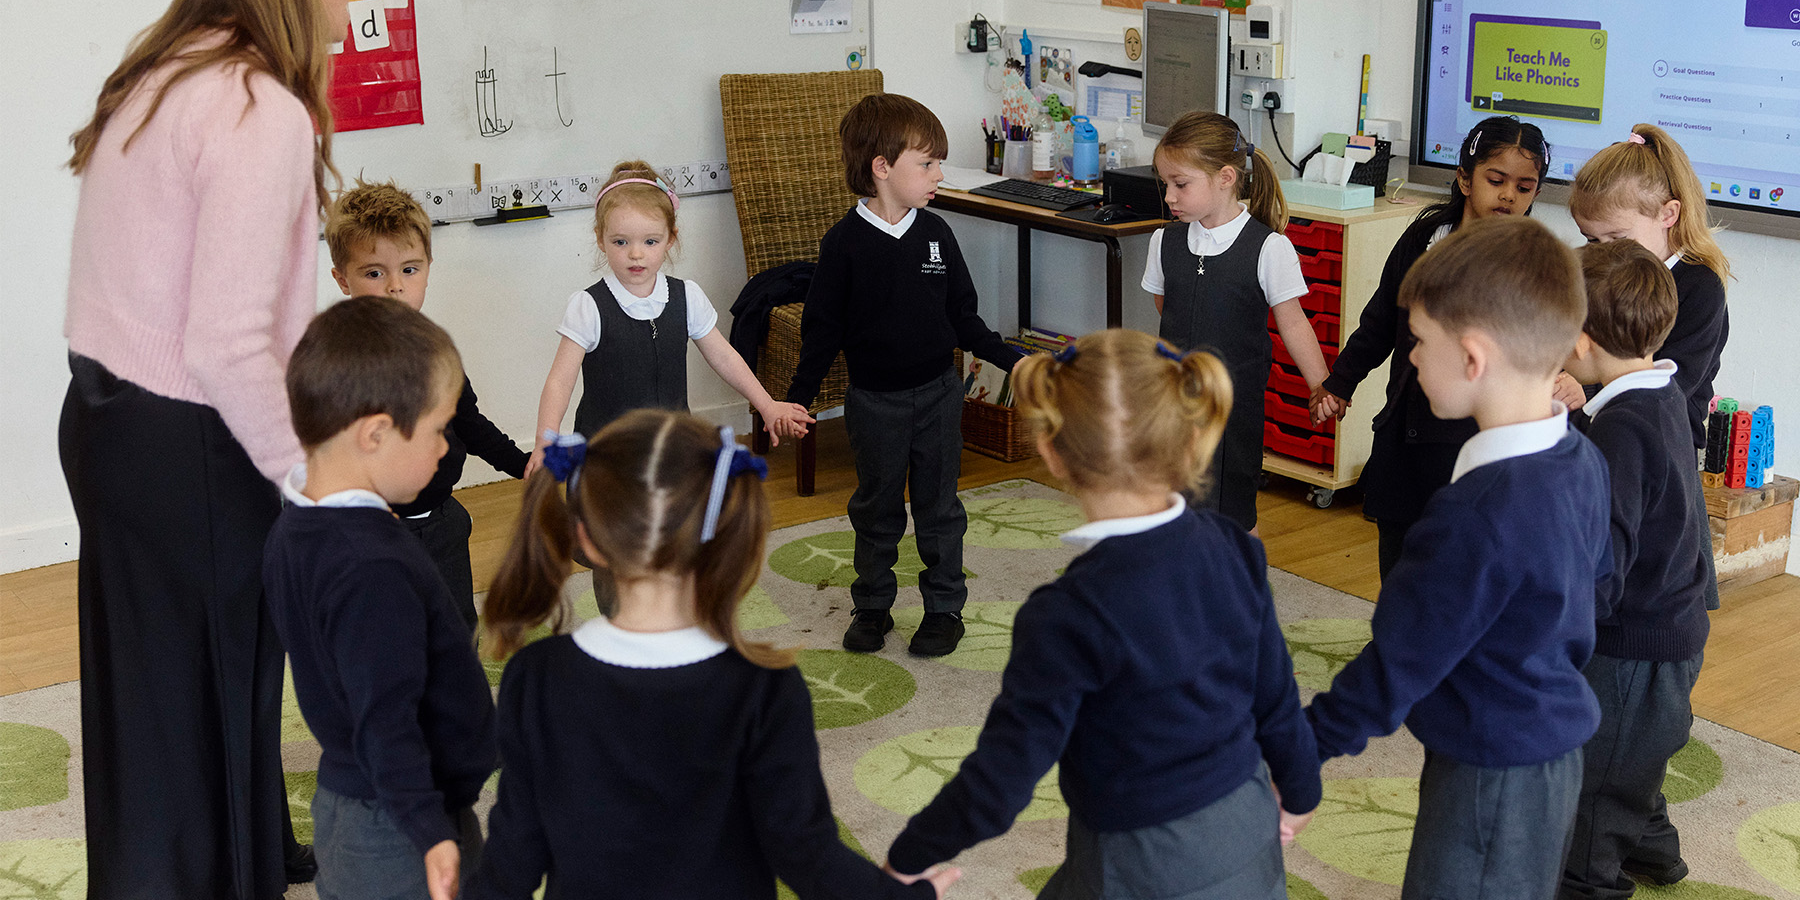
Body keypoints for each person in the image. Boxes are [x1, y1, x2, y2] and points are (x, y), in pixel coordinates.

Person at [58, 0, 368, 897]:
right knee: (206, 690)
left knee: (157, 696)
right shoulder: (255, 109)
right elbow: (228, 342)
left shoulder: (168, 72)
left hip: (107, 419)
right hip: (193, 435)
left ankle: (246, 848)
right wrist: (310, 480)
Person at [886, 329, 1323, 899]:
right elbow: (1275, 691)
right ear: (1186, 434)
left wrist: (907, 856)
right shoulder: (1235, 545)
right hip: (1246, 824)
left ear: (1051, 453)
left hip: (1138, 858)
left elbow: (1005, 773)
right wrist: (1303, 788)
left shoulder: (1065, 614)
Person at [471, 409, 959, 900]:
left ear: (587, 539)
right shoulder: (765, 687)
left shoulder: (534, 676)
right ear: (721, 534)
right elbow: (804, 852)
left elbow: (514, 852)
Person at [1304, 216, 1612, 899]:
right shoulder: (1582, 459)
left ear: (1473, 358)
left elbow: (1396, 663)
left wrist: (1300, 752)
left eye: (1418, 342)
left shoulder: (1474, 513)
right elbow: (1598, 585)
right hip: (1547, 751)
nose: (1410, 357)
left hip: (1491, 770)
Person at [263, 297, 497, 900]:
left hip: (355, 801)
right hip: (401, 826)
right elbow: (385, 718)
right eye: (438, 429)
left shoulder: (296, 525)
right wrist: (429, 830)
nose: (448, 448)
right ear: (375, 434)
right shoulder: (371, 567)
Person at [784, 94, 1027, 657]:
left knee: (941, 507)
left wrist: (1014, 359)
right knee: (877, 506)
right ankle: (872, 606)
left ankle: (944, 610)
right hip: (873, 402)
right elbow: (821, 333)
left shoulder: (937, 233)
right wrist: (798, 401)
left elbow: (964, 320)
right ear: (882, 167)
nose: (939, 174)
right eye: (928, 163)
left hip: (940, 395)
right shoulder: (844, 244)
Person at [535, 161, 814, 612]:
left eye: (650, 241)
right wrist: (545, 443)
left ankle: (672, 633)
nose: (636, 255)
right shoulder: (589, 305)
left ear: (671, 239)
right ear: (600, 239)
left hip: (674, 459)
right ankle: (621, 636)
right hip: (612, 465)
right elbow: (559, 380)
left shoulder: (686, 296)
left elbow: (724, 355)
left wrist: (767, 405)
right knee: (617, 560)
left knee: (678, 553)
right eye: (620, 242)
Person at [1309, 114, 1550, 577]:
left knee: (1456, 571)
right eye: (1495, 180)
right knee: (1399, 567)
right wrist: (1340, 382)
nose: (1508, 195)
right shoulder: (1424, 239)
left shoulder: (1528, 264)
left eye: (1524, 187)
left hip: (1471, 445)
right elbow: (1380, 319)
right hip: (1405, 434)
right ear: (1464, 178)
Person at [1559, 240, 1715, 899]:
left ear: (1583, 339)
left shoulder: (1622, 428)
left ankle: (1590, 884)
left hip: (1631, 648)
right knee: (1632, 766)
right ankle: (1655, 852)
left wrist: (1561, 635)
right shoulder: (1662, 394)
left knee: (1595, 792)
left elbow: (1606, 555)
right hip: (1670, 631)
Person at [327, 182, 529, 631]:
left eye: (410, 269)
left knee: (456, 630)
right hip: (375, 534)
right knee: (388, 635)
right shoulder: (339, 363)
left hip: (442, 524)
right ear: (343, 278)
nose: (396, 286)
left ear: (429, 268)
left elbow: (469, 423)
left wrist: (522, 464)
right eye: (374, 273)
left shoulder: (438, 354)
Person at [1566, 124, 1731, 609]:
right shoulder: (1607, 275)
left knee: (1657, 595)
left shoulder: (1699, 287)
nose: (1604, 253)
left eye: (1616, 238)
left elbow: (1671, 382)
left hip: (1663, 460)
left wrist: (1585, 391)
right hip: (1608, 443)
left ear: (1668, 215)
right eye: (1591, 241)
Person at [1144, 110, 1326, 533]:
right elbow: (1166, 305)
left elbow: (1294, 324)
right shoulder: (1164, 240)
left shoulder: (1269, 248)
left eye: (1180, 184)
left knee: (1233, 513)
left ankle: (1240, 590)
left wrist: (1321, 385)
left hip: (1233, 408)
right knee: (1174, 502)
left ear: (1226, 177)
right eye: (1165, 184)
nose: (1169, 196)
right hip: (1176, 400)